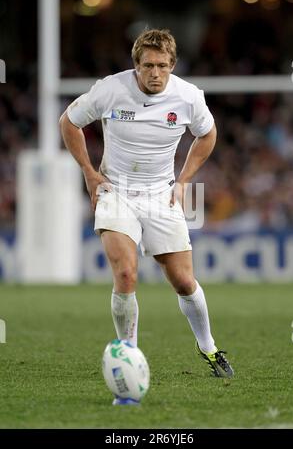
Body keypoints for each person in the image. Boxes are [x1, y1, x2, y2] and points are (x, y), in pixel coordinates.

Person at [59, 29, 234, 404]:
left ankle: (208, 347)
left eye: (162, 66)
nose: (155, 73)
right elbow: (69, 122)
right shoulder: (110, 89)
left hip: (161, 194)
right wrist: (90, 173)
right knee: (125, 274)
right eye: (147, 66)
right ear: (136, 65)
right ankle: (127, 360)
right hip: (116, 191)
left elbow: (207, 135)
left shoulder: (188, 97)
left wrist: (184, 181)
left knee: (185, 282)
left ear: (172, 65)